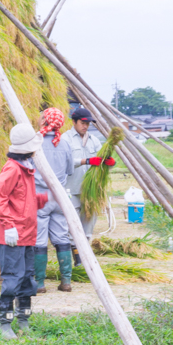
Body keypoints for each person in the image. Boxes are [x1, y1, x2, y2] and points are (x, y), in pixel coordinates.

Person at [0, 123, 48, 339]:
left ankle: (24, 319)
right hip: (12, 235)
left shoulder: (26, 167)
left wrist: (49, 198)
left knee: (27, 278)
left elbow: (24, 200)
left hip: (27, 233)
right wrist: (8, 225)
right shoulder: (13, 169)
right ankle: (5, 322)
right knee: (13, 278)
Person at [62, 108, 115, 260]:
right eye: (83, 123)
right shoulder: (65, 139)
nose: (85, 126)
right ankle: (76, 257)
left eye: (88, 123)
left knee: (89, 220)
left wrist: (110, 163)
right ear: (74, 122)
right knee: (72, 222)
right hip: (71, 188)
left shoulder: (94, 140)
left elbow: (101, 160)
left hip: (91, 190)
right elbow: (65, 162)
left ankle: (84, 255)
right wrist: (86, 161)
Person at [32, 108, 74, 293]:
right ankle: (66, 281)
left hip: (40, 196)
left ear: (44, 121)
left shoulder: (35, 143)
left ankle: (39, 284)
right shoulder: (65, 144)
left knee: (39, 239)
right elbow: (70, 170)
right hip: (59, 197)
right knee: (62, 237)